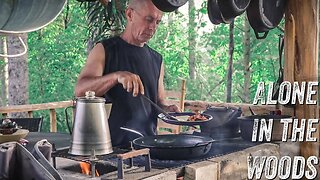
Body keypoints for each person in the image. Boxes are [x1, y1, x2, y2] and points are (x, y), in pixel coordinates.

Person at [75, 0, 179, 147]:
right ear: (130, 14)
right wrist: (116, 77)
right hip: (110, 149)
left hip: (148, 149)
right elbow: (80, 90)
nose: (153, 27)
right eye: (149, 19)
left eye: (157, 22)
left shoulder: (157, 59)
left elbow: (158, 102)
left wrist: (167, 109)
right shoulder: (105, 49)